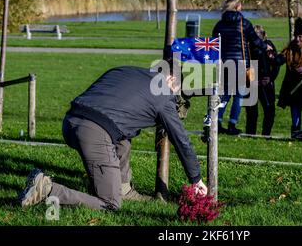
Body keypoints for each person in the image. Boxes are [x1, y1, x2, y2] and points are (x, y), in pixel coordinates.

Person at [18, 63, 208, 210]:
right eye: (177, 90)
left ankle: (123, 189)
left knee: (123, 140)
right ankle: (47, 189)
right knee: (110, 204)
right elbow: (182, 141)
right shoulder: (164, 95)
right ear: (171, 79)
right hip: (94, 134)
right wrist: (196, 179)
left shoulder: (123, 71)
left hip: (70, 122)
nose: (176, 97)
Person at [212, 0, 267, 135]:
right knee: (239, 95)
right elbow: (255, 41)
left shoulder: (219, 25)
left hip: (224, 63)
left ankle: (217, 121)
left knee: (224, 95)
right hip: (240, 63)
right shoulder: (244, 23)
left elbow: (214, 44)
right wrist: (266, 47)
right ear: (237, 7)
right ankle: (232, 123)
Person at [245, 25, 280, 135]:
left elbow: (276, 63)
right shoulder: (247, 48)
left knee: (269, 109)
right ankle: (251, 133)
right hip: (252, 82)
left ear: (263, 36)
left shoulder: (268, 46)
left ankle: (265, 133)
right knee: (252, 112)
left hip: (265, 82)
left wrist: (270, 78)